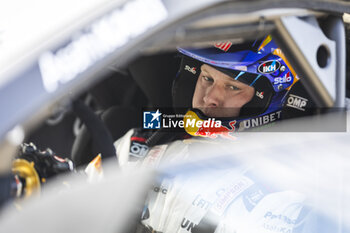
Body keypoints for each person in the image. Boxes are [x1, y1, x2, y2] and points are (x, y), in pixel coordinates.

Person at [4, 35, 316, 233]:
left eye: (233, 87)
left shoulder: (281, 193)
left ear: (265, 99)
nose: (210, 98)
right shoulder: (143, 143)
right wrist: (40, 181)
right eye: (206, 78)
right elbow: (81, 200)